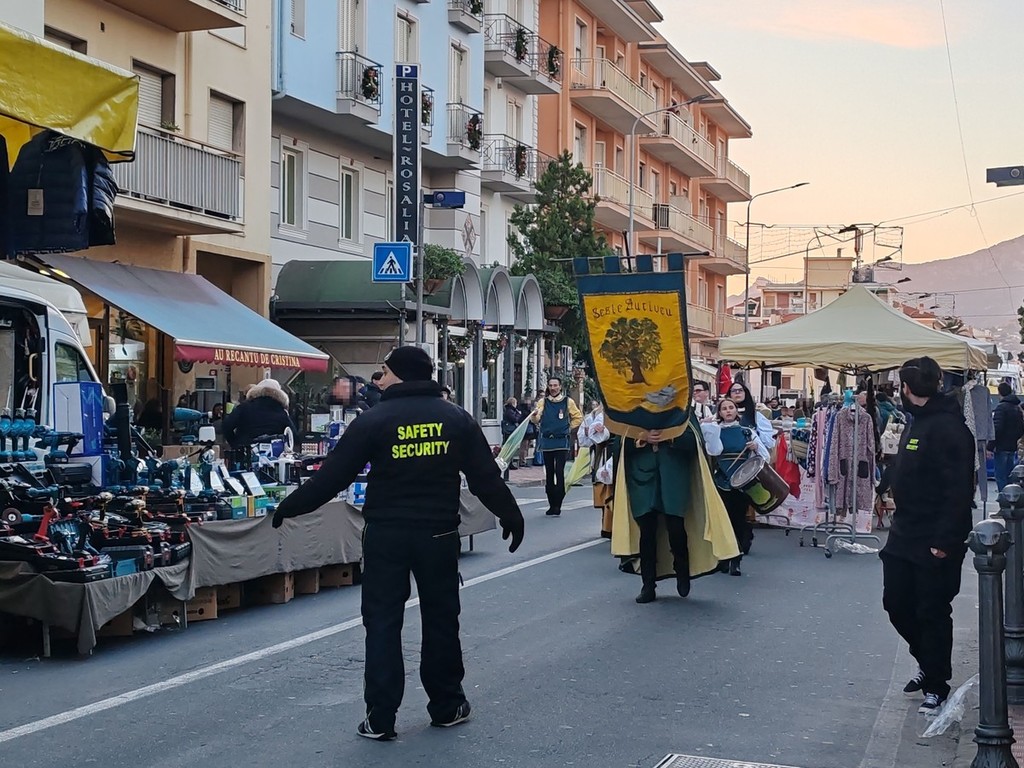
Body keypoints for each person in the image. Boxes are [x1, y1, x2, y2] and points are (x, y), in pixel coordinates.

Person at [271, 346, 525, 741]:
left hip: (386, 533)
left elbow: (332, 477)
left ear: (402, 374)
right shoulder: (456, 419)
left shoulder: (374, 420)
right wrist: (510, 515)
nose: (380, 379)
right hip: (438, 534)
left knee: (382, 623)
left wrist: (290, 506)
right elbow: (485, 478)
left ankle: (381, 716)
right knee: (441, 620)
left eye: (385, 371)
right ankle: (447, 705)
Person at [881, 356, 974, 715]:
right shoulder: (915, 422)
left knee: (932, 611)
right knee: (896, 604)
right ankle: (927, 661)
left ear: (906, 388)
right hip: (904, 533)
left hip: (936, 538)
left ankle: (936, 683)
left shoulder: (951, 428)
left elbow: (959, 491)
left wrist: (945, 542)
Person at [713, 397, 771, 576]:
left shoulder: (747, 432)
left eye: (731, 407)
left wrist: (755, 447)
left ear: (736, 410)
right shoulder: (714, 431)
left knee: (738, 520)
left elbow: (765, 457)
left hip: (742, 482)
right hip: (721, 481)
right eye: (724, 408)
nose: (728, 411)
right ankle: (723, 558)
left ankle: (736, 559)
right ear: (720, 412)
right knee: (722, 522)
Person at [531, 377, 583, 516]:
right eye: (551, 385)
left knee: (559, 472)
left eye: (555, 385)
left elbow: (578, 417)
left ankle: (558, 504)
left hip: (561, 442)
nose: (553, 388)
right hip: (547, 441)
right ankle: (551, 504)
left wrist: (567, 429)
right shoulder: (543, 402)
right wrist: (534, 416)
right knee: (549, 473)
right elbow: (536, 419)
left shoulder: (568, 401)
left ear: (560, 387)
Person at [221, 378, 297, 450]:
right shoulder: (281, 411)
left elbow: (226, 425)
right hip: (273, 452)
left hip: (246, 450)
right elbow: (293, 436)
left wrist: (235, 444)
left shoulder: (244, 407)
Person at [988, 381, 1024, 492]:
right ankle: (1011, 497)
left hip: (1001, 447)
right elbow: (1021, 428)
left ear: (1000, 393)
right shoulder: (1017, 408)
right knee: (1009, 475)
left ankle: (1004, 497)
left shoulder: (1001, 408)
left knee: (1000, 476)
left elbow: (997, 428)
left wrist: (990, 446)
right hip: (1012, 447)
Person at [500, 396, 523, 467]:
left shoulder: (511, 410)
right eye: (515, 403)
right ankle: (508, 462)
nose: (516, 404)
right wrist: (519, 414)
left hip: (509, 430)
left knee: (509, 447)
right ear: (513, 403)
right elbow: (515, 419)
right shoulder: (510, 411)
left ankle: (509, 462)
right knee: (508, 447)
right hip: (509, 431)